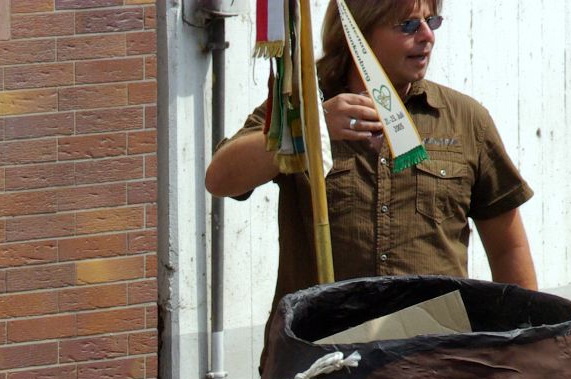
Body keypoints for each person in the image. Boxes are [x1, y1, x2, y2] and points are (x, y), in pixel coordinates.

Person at [204, 0, 536, 321]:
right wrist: (311, 130)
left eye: (431, 21)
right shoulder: (303, 107)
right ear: (357, 33)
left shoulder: (464, 119)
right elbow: (220, 178)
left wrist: (526, 343)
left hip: (432, 356)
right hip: (326, 356)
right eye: (408, 25)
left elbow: (508, 249)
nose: (427, 36)